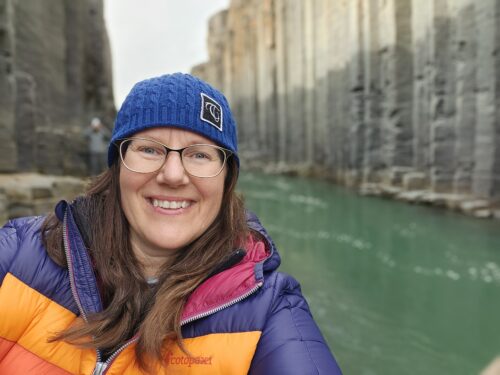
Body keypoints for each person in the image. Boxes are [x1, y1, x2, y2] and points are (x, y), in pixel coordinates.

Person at [0, 73, 343, 374]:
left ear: (227, 180)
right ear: (118, 165)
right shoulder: (19, 254)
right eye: (149, 149)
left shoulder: (269, 310)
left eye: (199, 154)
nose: (173, 175)